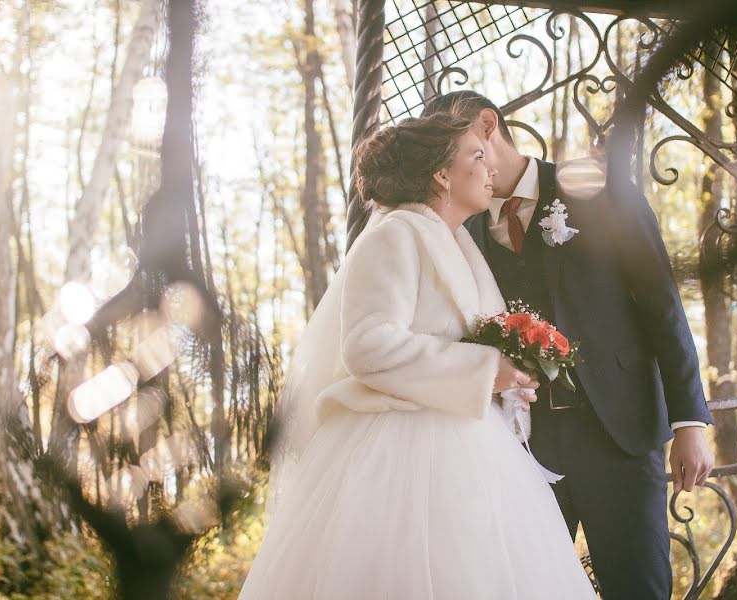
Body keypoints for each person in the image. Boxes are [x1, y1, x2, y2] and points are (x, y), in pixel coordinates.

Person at [237, 112, 596, 599]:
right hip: (398, 452)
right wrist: (485, 369)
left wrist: (507, 383)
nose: (490, 165)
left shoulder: (462, 244)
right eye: (476, 155)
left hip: (473, 449)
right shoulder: (394, 235)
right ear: (442, 175)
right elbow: (368, 345)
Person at [421, 90, 716, 599]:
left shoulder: (594, 188)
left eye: (455, 146)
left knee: (638, 587)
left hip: (620, 433)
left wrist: (690, 421)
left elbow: (661, 305)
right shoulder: (463, 226)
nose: (447, 166)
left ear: (487, 126)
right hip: (527, 448)